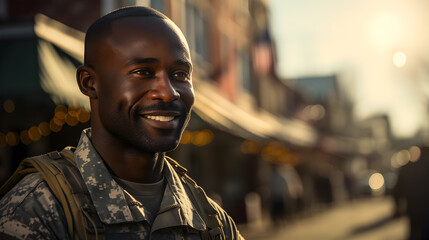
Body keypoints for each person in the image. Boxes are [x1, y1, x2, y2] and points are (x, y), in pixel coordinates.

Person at [0, 6, 243, 239]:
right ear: (89, 83)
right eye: (143, 72)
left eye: (180, 75)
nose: (168, 93)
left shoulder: (211, 220)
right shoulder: (36, 208)